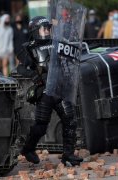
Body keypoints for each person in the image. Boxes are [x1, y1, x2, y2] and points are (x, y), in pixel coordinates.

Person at [18, 16, 83, 166]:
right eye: (43, 28)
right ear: (35, 30)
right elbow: (21, 68)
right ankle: (28, 149)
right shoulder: (29, 47)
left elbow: (70, 60)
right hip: (45, 91)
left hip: (60, 88)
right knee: (41, 126)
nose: (46, 31)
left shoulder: (57, 44)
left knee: (70, 121)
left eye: (48, 28)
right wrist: (33, 75)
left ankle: (68, 155)